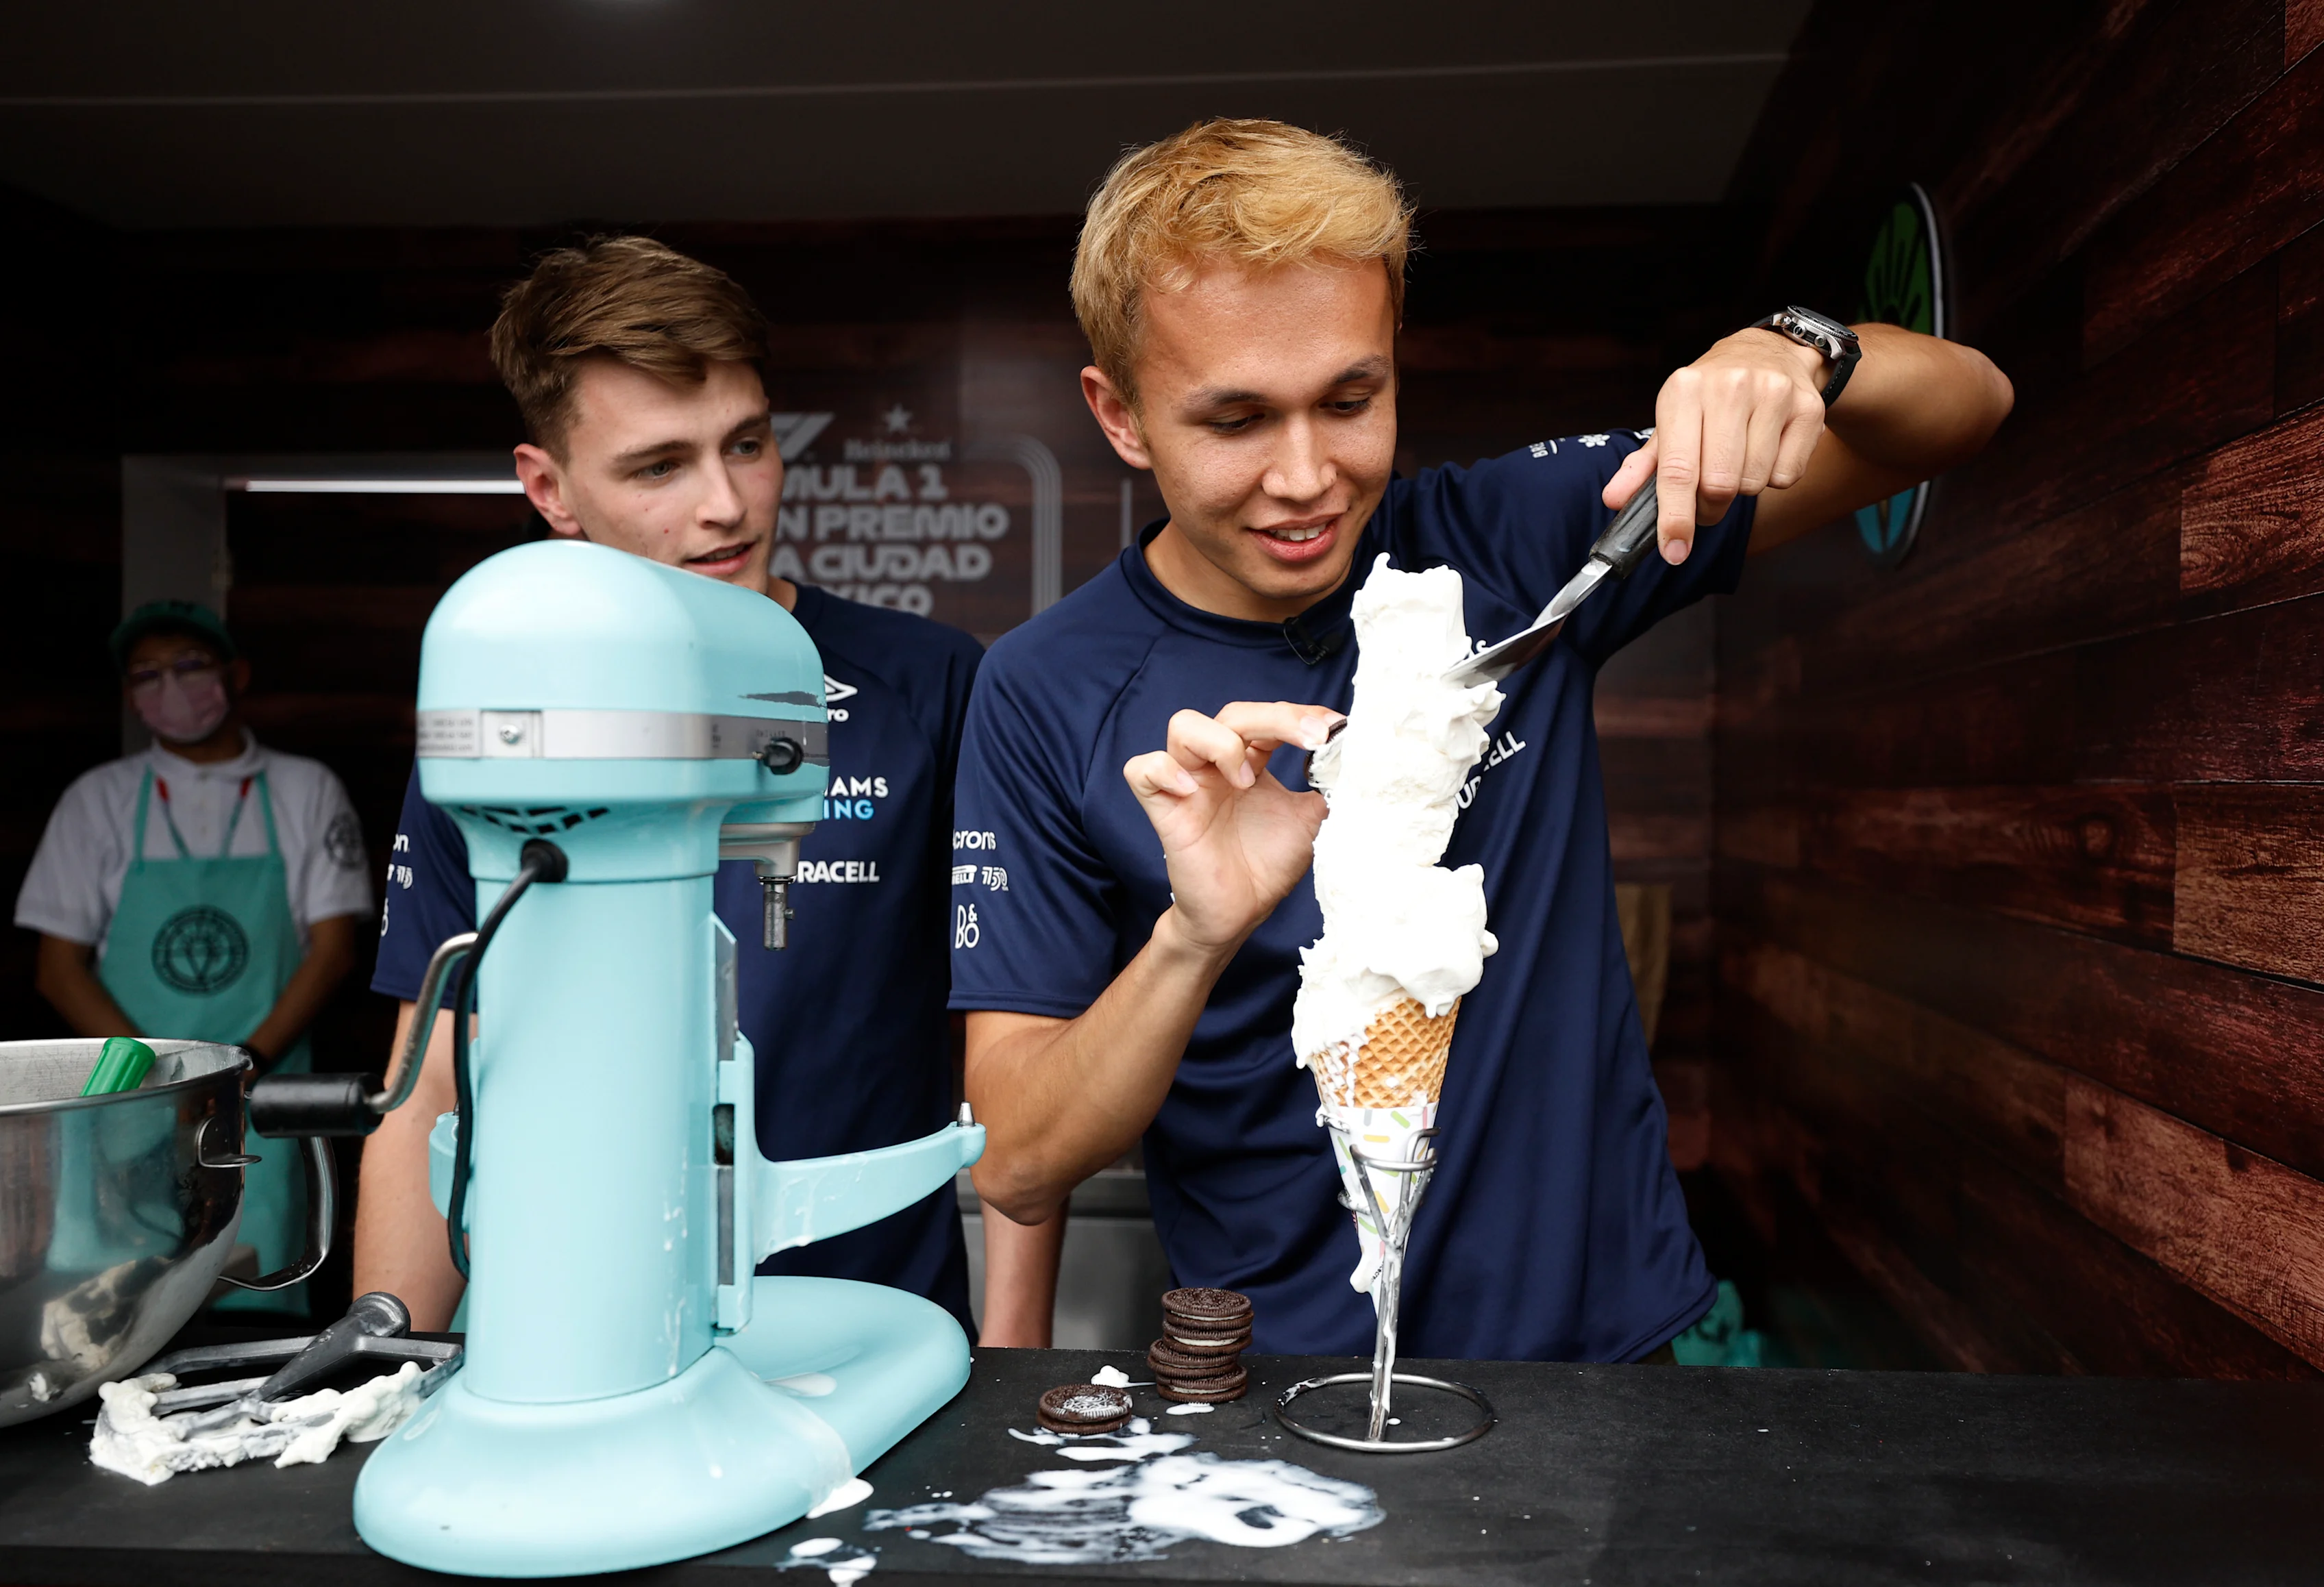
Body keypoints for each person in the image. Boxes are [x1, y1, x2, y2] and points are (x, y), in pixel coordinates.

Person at [952, 119, 2014, 1360]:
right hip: (1274, 1377)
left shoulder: (1518, 540)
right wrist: (1195, 933)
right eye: (1234, 420)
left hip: (1609, 1350)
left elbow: (1967, 409)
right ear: (1120, 414)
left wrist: (1797, 352)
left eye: (1350, 398)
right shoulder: (1043, 688)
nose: (1306, 476)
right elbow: (1017, 1156)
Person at [352, 236, 1059, 1340]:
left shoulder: (932, 685)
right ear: (551, 487)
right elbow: (435, 1080)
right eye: (658, 466)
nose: (725, 503)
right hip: (579, 1337)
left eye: (747, 444)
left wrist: (1010, 1360)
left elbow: (1018, 1049)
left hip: (872, 1337)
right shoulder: (505, 718)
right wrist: (384, 1361)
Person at [18, 601, 371, 1312]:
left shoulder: (306, 790)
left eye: (189, 665)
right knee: (118, 1305)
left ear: (235, 674)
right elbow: (57, 969)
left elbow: (333, 953)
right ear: (127, 694)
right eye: (146, 674)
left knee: (258, 1289)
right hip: (126, 1103)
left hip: (253, 1100)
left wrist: (241, 1067)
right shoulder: (98, 801)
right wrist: (153, 1079)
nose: (169, 687)